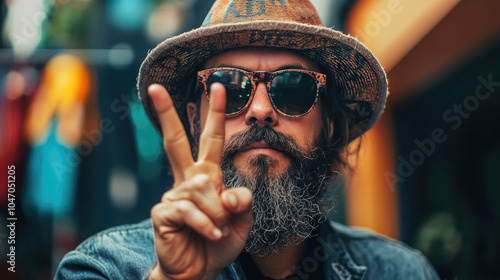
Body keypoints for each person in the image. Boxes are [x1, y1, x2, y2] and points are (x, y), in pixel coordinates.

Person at [56, 0, 439, 279]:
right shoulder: (102, 268)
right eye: (229, 86)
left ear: (332, 125)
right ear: (194, 121)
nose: (259, 110)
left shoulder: (402, 273)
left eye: (294, 88)